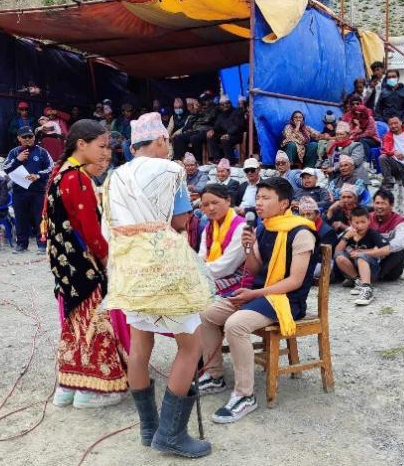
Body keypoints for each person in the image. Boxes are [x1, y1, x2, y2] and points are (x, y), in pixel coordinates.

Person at [108, 113, 211, 457]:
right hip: (164, 263)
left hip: (131, 266)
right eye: (167, 140)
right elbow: (181, 220)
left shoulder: (116, 175)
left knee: (141, 346)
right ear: (159, 141)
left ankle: (149, 428)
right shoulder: (171, 171)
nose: (170, 146)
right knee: (190, 345)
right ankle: (170, 434)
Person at [198, 177, 317, 423]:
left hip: (286, 300)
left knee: (235, 324)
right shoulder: (265, 227)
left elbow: (295, 281)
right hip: (261, 293)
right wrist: (249, 249)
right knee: (207, 314)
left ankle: (245, 395)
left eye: (266, 198)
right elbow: (254, 270)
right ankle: (214, 374)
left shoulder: (301, 232)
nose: (259, 203)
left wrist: (253, 294)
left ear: (284, 203)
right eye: (258, 197)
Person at [40, 120, 129, 407]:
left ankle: (69, 385)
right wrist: (107, 261)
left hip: (64, 267)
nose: (105, 153)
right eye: (101, 147)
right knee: (94, 324)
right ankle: (95, 389)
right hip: (84, 266)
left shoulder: (58, 175)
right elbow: (91, 231)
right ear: (82, 144)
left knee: (73, 324)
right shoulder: (77, 179)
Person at [3, 126, 53, 253]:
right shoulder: (13, 152)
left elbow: (51, 168)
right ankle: (21, 245)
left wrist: (38, 175)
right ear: (19, 138)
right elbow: (5, 168)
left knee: (39, 218)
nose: (27, 139)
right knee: (20, 218)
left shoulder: (42, 152)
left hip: (38, 191)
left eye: (30, 136)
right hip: (19, 191)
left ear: (34, 137)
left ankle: (42, 244)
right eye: (24, 137)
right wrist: (17, 160)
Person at [336, 206, 395, 305]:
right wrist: (346, 237)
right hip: (354, 271)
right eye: (357, 222)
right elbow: (337, 252)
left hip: (371, 270)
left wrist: (363, 253)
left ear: (369, 221)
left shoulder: (372, 234)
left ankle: (367, 289)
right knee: (339, 257)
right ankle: (358, 282)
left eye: (363, 222)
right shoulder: (348, 234)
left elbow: (387, 249)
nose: (360, 225)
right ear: (351, 223)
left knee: (361, 257)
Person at [198, 183, 249, 297]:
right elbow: (202, 257)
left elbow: (227, 267)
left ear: (228, 201)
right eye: (206, 204)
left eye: (215, 202)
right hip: (210, 274)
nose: (211, 208)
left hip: (236, 279)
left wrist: (195, 272)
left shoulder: (242, 228)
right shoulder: (209, 228)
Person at [380, 116, 404, 225]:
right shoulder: (388, 136)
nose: (393, 126)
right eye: (391, 124)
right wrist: (394, 152)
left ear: (401, 122)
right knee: (383, 158)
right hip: (397, 165)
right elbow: (386, 149)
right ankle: (389, 181)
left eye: (395, 123)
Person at [298, 196, 337, 278]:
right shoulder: (298, 227)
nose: (305, 218)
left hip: (321, 262)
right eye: (302, 215)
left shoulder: (328, 231)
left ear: (317, 214)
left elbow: (323, 256)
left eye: (309, 214)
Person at [207, 96, 245, 164]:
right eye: (222, 104)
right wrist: (212, 130)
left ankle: (230, 161)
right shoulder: (221, 115)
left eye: (227, 103)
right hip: (224, 134)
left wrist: (229, 134)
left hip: (236, 135)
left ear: (230, 103)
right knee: (211, 136)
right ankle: (217, 159)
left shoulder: (237, 112)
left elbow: (238, 126)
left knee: (224, 139)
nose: (225, 106)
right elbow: (217, 126)